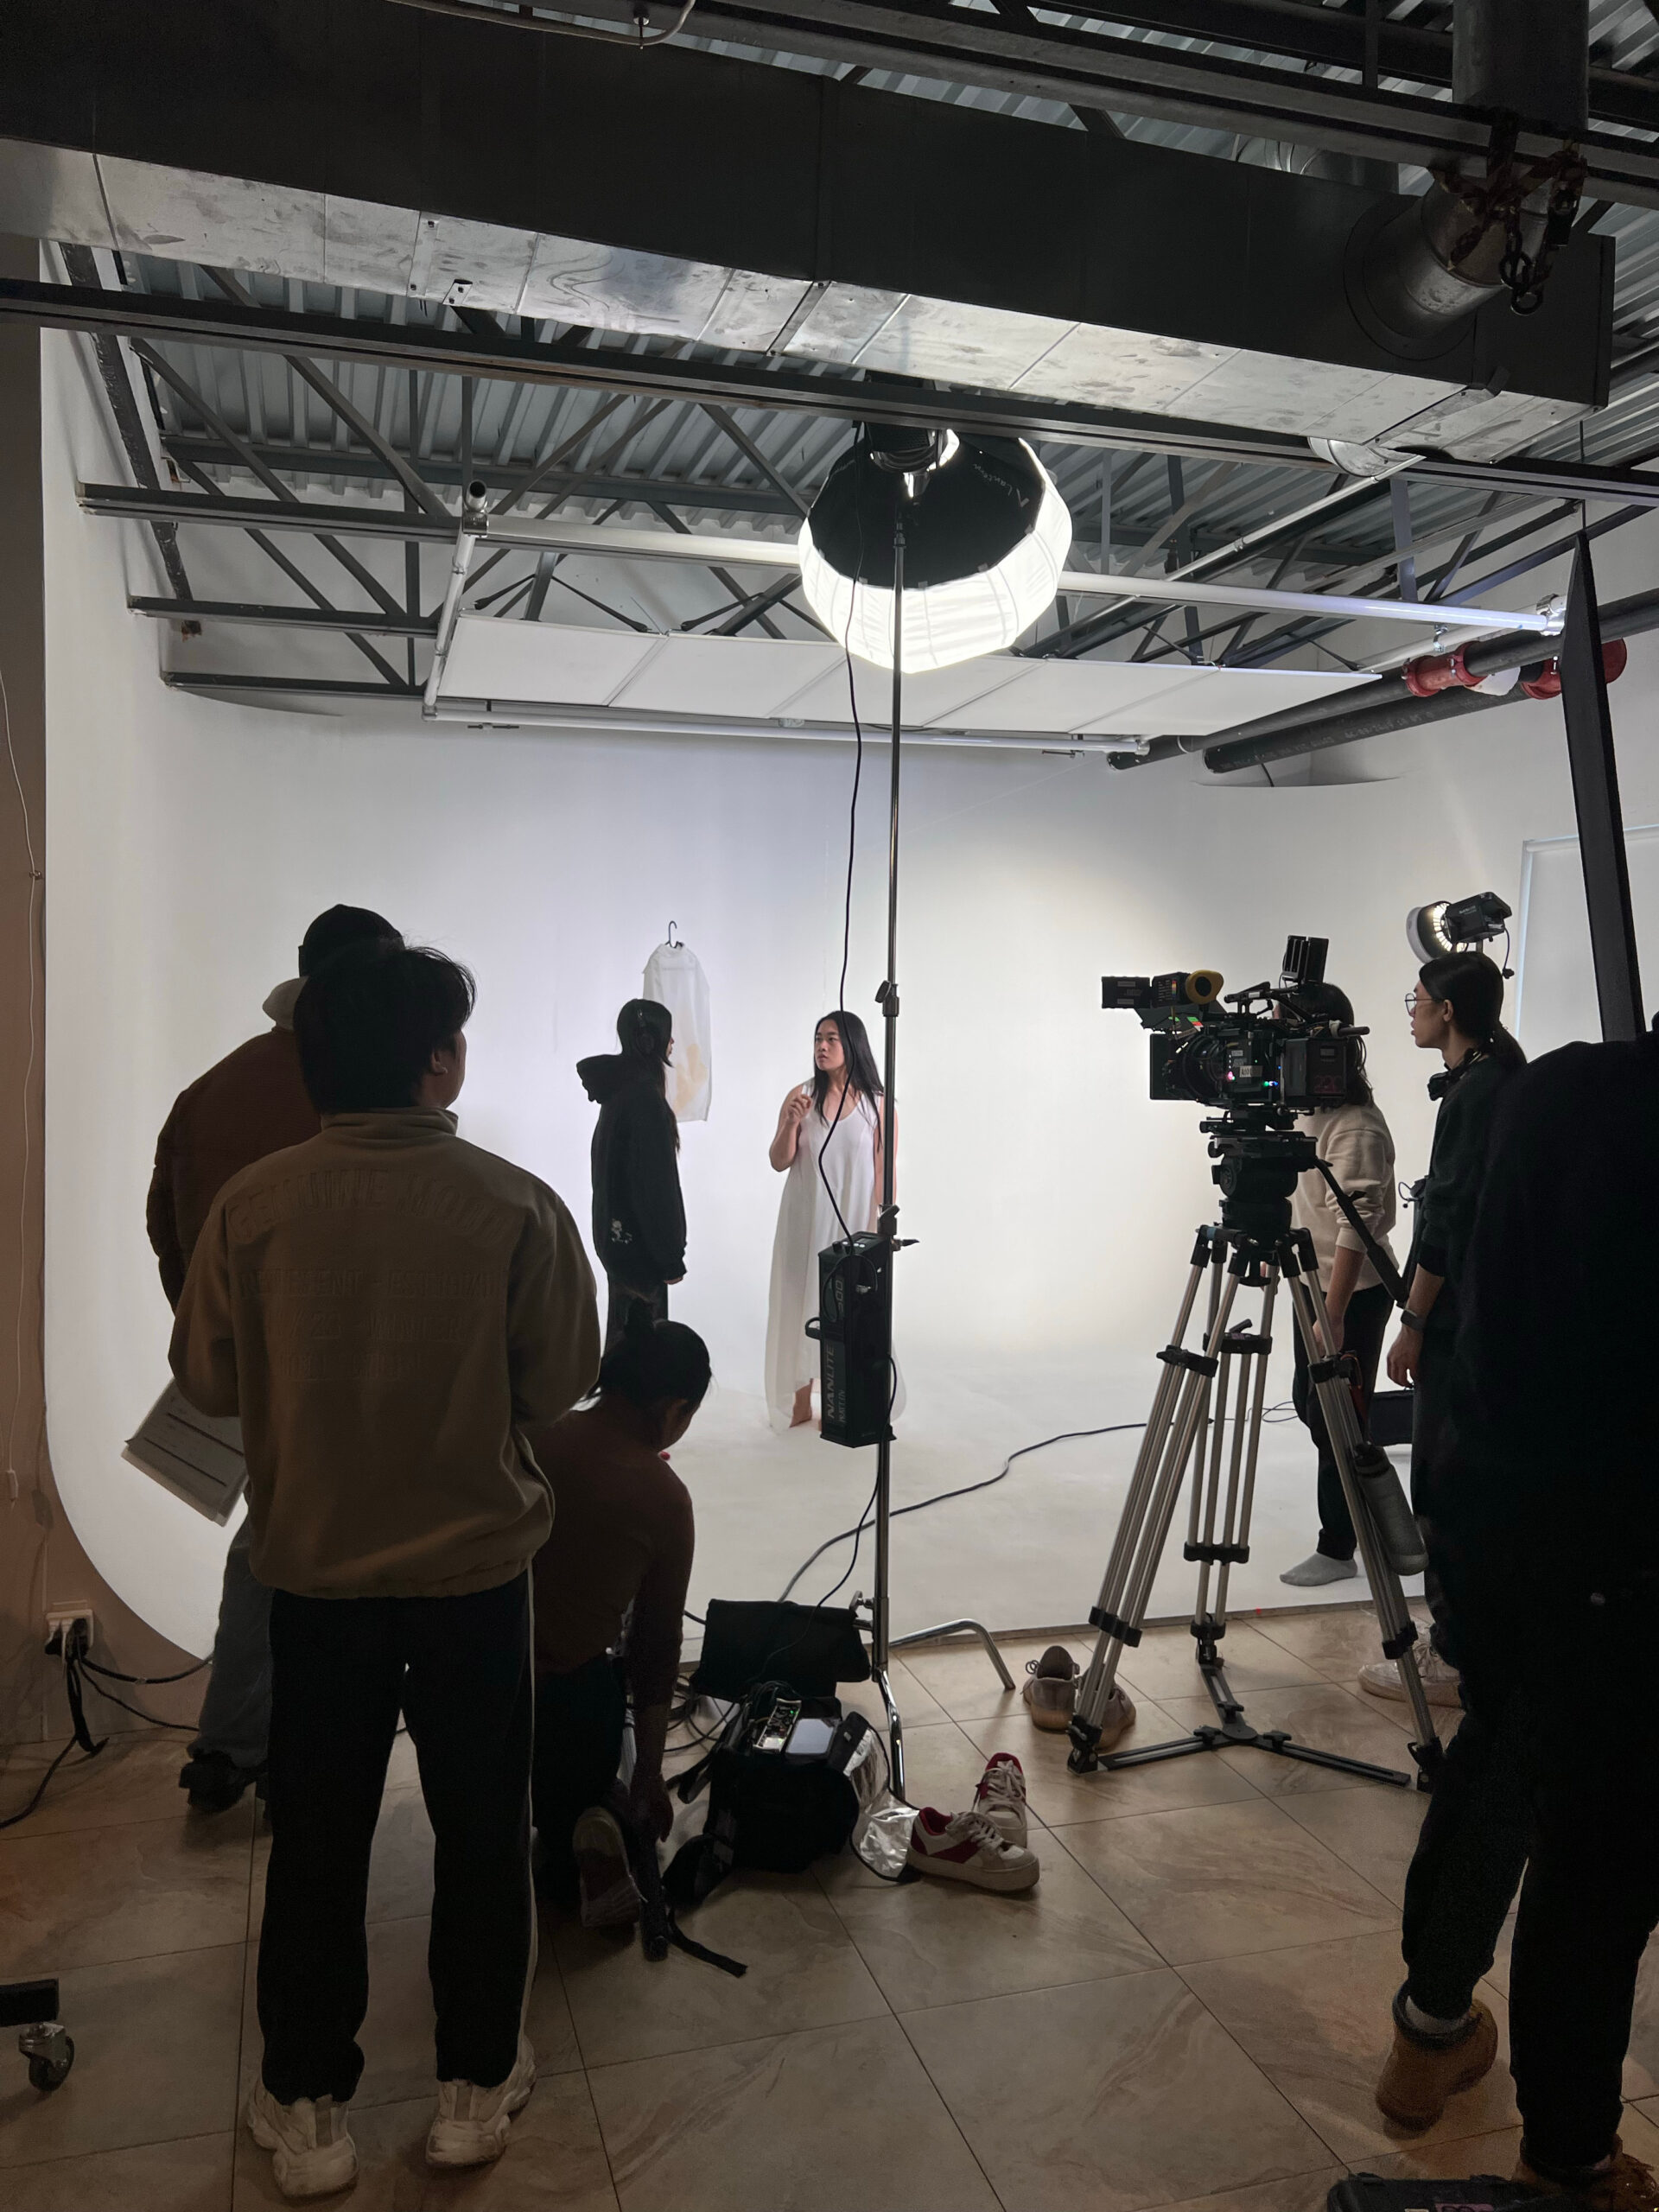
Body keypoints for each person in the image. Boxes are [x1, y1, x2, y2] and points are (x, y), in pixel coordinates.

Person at [171, 940, 599, 2202]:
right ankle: (473, 2085)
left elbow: (205, 1382)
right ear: (438, 1058)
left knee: (318, 1841)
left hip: (315, 1580)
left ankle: (307, 2108)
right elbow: (560, 1381)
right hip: (475, 1579)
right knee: (482, 1832)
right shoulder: (515, 1204)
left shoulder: (255, 1205)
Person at [1374, 1014, 1659, 2212]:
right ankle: (1573, 2159)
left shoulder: (1554, 1092)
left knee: (1497, 1761)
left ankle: (1430, 2029)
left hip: (1489, 1518)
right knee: (1599, 1856)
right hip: (1616, 1550)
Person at [149, 903, 401, 1813]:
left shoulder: (212, 1090)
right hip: (346, 1370)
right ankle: (300, 1748)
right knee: (333, 1569)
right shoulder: (356, 1089)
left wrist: (211, 1335)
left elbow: (166, 1226)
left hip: (252, 1374)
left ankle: (233, 1738)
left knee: (268, 1542)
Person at [1358, 949, 1525, 1707]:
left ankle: (1454, 1656)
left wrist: (1413, 1321)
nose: (1412, 1009)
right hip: (1486, 1314)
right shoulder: (1493, 1080)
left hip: (1458, 1322)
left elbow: (1447, 1224)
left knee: (1443, 1484)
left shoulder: (1475, 1093)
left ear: (1448, 1011)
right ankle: (1471, 1642)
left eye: (1417, 998)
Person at [524, 1308, 705, 1924]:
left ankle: (549, 1829)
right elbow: (654, 1652)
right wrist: (649, 1777)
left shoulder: (533, 1434)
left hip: (464, 1682)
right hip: (559, 1717)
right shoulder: (663, 1498)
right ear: (675, 1411)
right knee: (595, 1702)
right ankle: (588, 1828)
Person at [1277, 982, 1401, 1590]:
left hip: (1350, 1292)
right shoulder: (1311, 1112)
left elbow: (1358, 1227)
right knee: (1311, 1407)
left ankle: (1342, 1544)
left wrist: (1334, 1312)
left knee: (1339, 1420)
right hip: (1315, 1287)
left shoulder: (1354, 1127)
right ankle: (1355, 1528)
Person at [764, 1008, 885, 1431]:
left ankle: (840, 1398)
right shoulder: (801, 1096)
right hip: (803, 1221)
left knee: (846, 1310)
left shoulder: (876, 1106)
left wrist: (879, 1236)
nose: (822, 1046)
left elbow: (884, 1176)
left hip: (853, 1226)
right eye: (818, 1038)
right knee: (801, 1303)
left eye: (832, 1038)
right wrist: (790, 1123)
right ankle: (800, 1402)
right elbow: (779, 1161)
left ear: (852, 1045)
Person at [577, 999, 686, 1351]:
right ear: (651, 1040)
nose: (673, 1043)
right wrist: (671, 1255)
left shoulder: (619, 1094)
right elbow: (656, 1186)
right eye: (668, 1035)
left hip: (617, 1242)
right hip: (641, 1251)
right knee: (642, 1355)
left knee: (624, 1346)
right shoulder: (643, 1099)